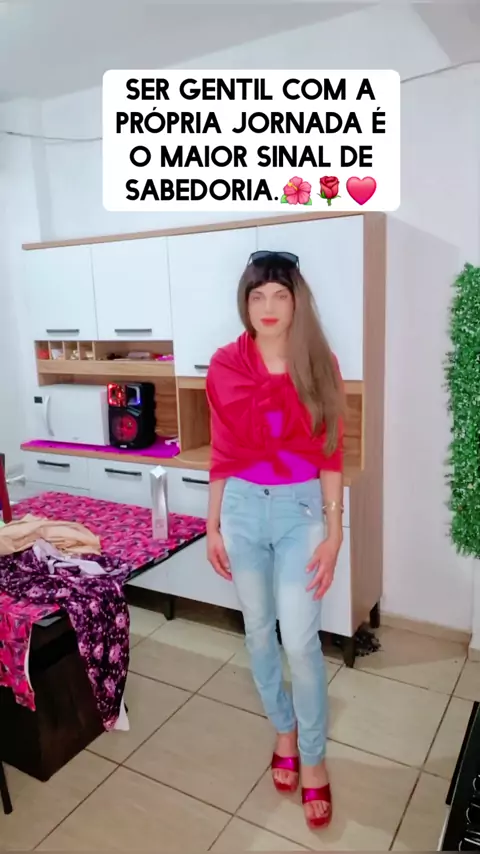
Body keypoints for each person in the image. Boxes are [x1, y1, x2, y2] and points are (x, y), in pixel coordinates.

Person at [205, 249, 344, 831]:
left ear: (296, 302)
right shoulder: (224, 364)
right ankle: (282, 730)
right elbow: (221, 449)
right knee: (260, 632)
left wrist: (334, 532)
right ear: (245, 302)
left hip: (300, 510)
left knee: (301, 642)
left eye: (279, 295)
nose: (267, 306)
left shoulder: (320, 363)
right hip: (240, 508)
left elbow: (331, 449)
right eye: (257, 295)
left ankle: (313, 756)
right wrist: (212, 524)